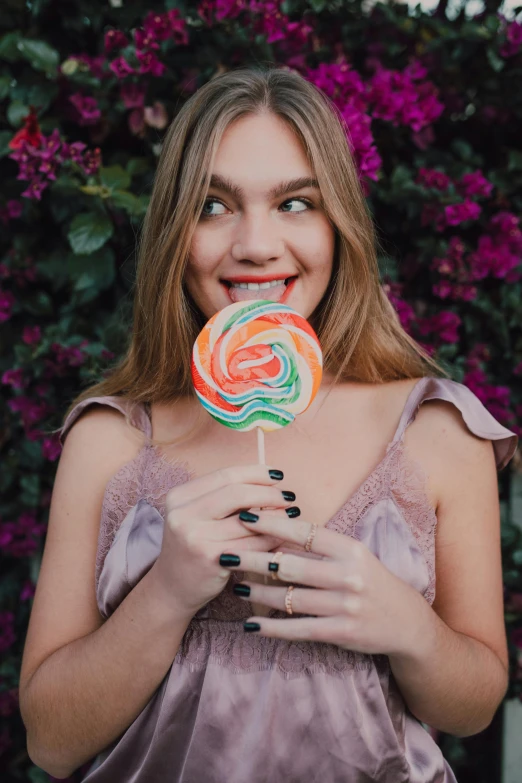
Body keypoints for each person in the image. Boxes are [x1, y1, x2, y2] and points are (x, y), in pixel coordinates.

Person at [19, 65, 517, 782]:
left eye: (295, 203)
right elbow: (51, 742)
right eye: (215, 205)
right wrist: (166, 590)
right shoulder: (111, 439)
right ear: (174, 230)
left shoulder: (437, 431)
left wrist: (407, 626)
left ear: (338, 221)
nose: (255, 245)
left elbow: (473, 706)